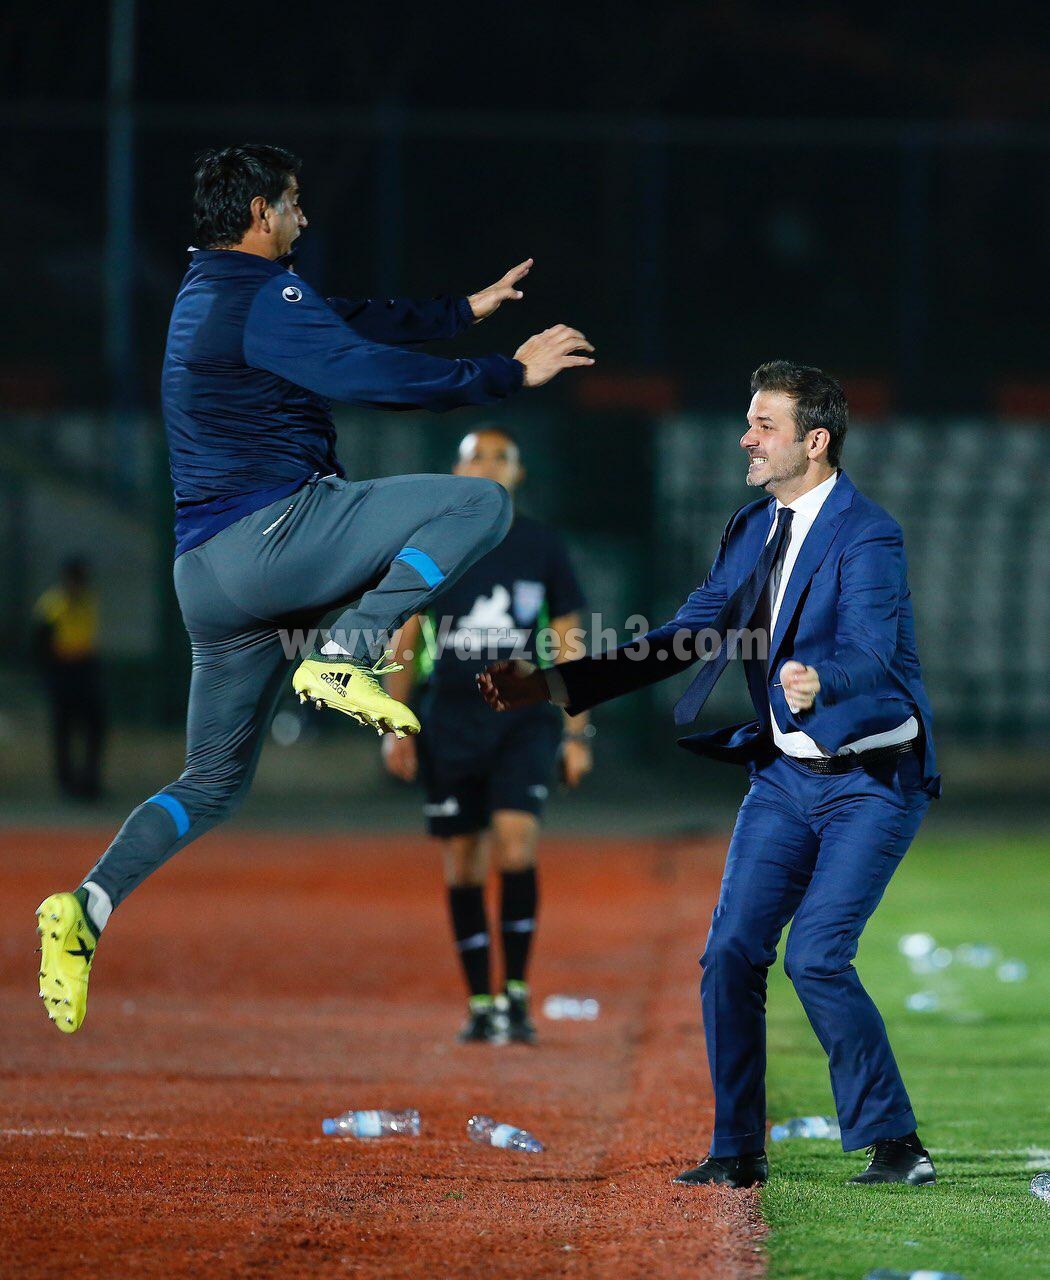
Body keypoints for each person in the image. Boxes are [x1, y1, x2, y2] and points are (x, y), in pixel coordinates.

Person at [35, 142, 593, 1035]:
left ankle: (86, 908)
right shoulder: (261, 296)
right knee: (480, 504)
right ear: (261, 213)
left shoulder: (211, 291)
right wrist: (505, 373)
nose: (303, 216)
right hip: (275, 540)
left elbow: (345, 320)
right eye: (293, 203)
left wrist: (461, 311)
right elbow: (365, 371)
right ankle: (344, 653)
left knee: (210, 785)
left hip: (208, 579)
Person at [479, 361, 940, 1188]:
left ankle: (897, 1143)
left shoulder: (868, 532)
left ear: (815, 441)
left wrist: (821, 679)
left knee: (816, 957)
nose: (746, 439)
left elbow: (873, 651)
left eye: (765, 425)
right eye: (750, 423)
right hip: (786, 778)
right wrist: (553, 685)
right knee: (730, 950)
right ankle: (737, 1150)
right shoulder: (752, 526)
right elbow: (681, 638)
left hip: (871, 779)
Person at [382, 427, 593, 1044]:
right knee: (463, 861)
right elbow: (406, 637)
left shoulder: (542, 545)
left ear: (517, 474)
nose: (489, 464)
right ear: (458, 470)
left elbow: (568, 640)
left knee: (515, 845)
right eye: (477, 455)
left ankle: (517, 995)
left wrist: (578, 732)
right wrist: (395, 724)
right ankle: (480, 1001)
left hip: (524, 718)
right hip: (450, 720)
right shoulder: (433, 545)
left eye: (502, 457)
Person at [33, 557, 106, 801]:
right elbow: (40, 646)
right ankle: (66, 783)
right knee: (63, 728)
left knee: (95, 725)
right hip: (62, 671)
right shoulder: (52, 605)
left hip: (85, 668)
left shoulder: (88, 600)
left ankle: (90, 781)